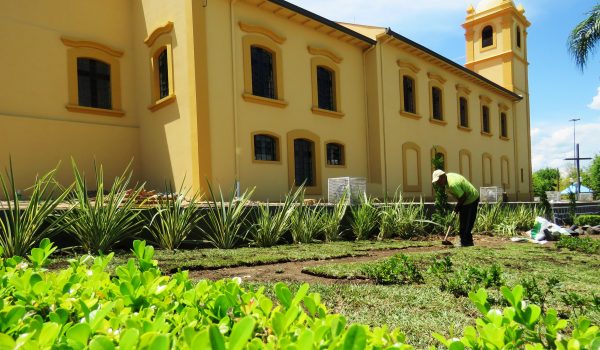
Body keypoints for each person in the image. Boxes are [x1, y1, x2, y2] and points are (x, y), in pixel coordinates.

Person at [432, 170, 479, 247]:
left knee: (467, 222)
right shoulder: (447, 179)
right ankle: (466, 241)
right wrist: (457, 208)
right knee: (463, 222)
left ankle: (466, 242)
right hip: (464, 200)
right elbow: (461, 196)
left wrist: (456, 209)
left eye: (438, 181)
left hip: (471, 198)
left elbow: (463, 197)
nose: (438, 183)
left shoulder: (452, 184)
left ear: (443, 177)